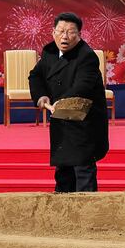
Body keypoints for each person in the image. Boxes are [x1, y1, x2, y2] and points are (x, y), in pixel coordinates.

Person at [28, 12, 109, 192]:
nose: (65, 36)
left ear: (79, 35)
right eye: (61, 31)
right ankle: (63, 214)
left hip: (83, 120)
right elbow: (35, 75)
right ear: (53, 32)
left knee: (82, 169)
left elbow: (83, 86)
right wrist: (40, 96)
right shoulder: (49, 52)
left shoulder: (86, 56)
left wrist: (61, 102)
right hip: (61, 120)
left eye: (71, 32)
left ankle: (87, 214)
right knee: (63, 169)